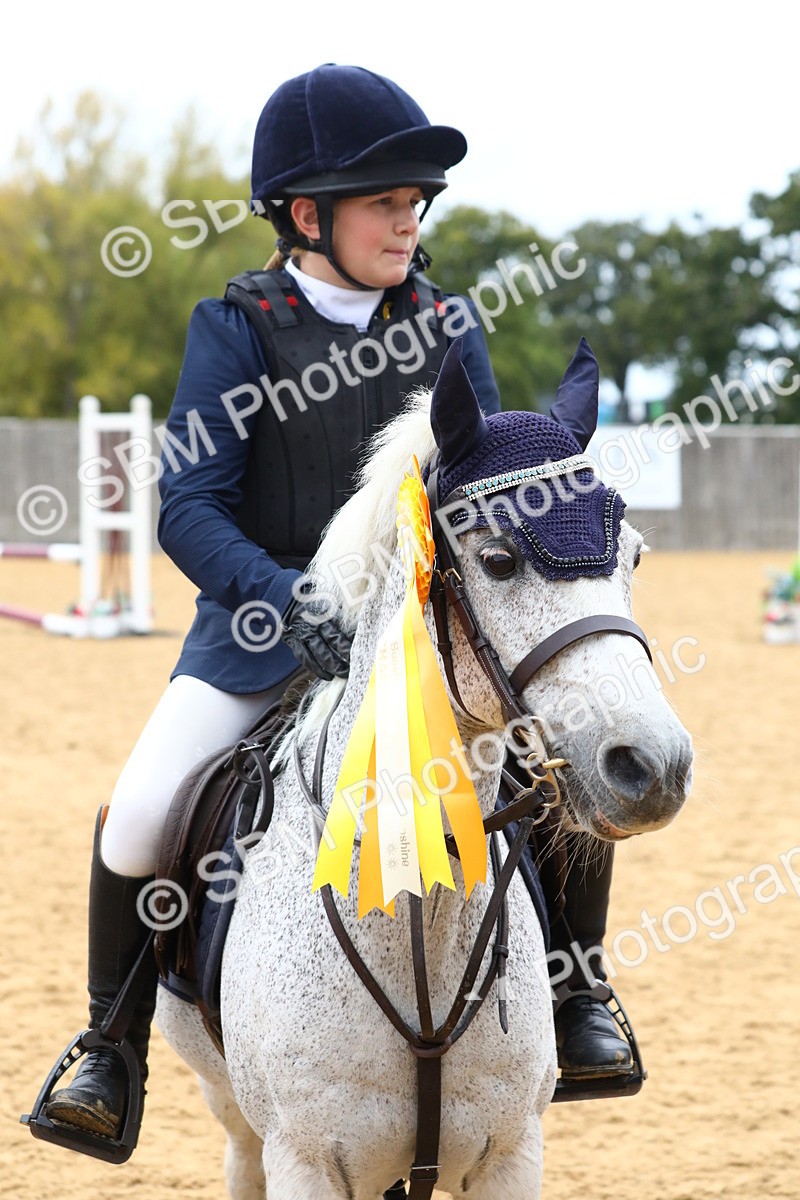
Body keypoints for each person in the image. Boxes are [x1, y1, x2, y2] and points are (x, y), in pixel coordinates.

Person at [39, 63, 631, 1154]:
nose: (408, 221)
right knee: (140, 809)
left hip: (419, 635)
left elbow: (476, 485)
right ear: (306, 214)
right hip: (261, 630)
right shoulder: (236, 324)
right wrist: (284, 598)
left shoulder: (448, 324)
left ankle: (580, 995)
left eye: (415, 203)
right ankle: (107, 1048)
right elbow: (189, 505)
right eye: (385, 202)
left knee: (561, 760)